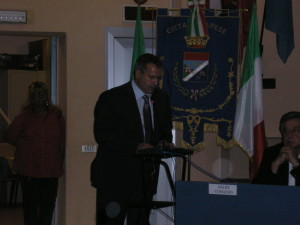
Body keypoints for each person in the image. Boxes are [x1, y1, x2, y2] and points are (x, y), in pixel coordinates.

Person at [90, 53, 174, 225]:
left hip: (146, 176)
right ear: (137, 74)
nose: (155, 83)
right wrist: (135, 146)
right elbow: (103, 134)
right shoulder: (111, 98)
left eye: (158, 78)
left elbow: (165, 131)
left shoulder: (162, 99)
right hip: (114, 176)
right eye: (151, 77)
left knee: (140, 222)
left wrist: (164, 142)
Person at [5, 81, 65, 225]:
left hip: (50, 171)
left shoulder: (56, 117)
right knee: (30, 208)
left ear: (48, 97)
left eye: (43, 94)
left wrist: (59, 163)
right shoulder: (23, 118)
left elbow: (62, 141)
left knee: (47, 207)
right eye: (37, 94)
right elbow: (10, 136)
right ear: (31, 97)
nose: (40, 97)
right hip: (29, 171)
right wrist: (24, 145)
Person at [252, 111, 300, 186]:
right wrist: (275, 165)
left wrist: (295, 163)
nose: (289, 135)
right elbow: (256, 188)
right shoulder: (272, 153)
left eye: (295, 130)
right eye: (285, 131)